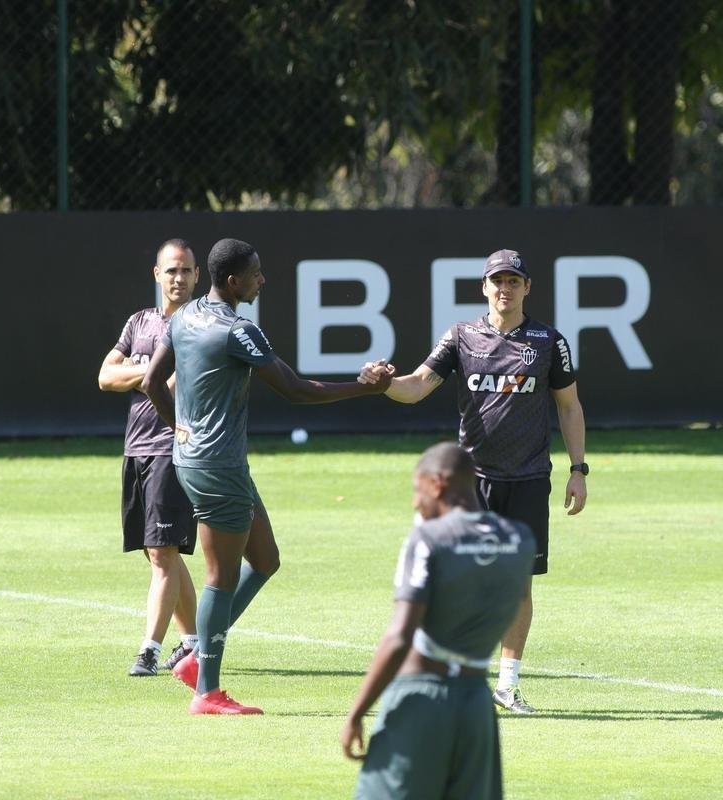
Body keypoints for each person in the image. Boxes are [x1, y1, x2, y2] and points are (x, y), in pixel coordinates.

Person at [141, 237, 393, 715]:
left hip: (198, 460)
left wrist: (179, 429)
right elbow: (296, 391)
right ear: (232, 281)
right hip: (219, 467)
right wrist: (366, 389)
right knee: (220, 577)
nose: (263, 279)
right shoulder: (239, 331)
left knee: (265, 559)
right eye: (255, 273)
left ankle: (197, 660)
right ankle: (206, 690)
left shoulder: (185, 316)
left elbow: (152, 382)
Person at [359, 248, 587, 714]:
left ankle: (507, 684)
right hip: (472, 482)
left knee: (518, 583)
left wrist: (578, 469)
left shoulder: (548, 341)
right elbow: (417, 385)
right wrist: (384, 383)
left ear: (527, 288)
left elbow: (569, 406)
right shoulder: (461, 336)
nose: (505, 288)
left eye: (514, 281)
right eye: (497, 280)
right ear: (484, 287)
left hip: (528, 478)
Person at [341, 442, 535, 800]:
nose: (415, 503)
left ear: (437, 484)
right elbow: (516, 600)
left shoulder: (428, 539)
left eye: (417, 490)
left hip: (420, 701)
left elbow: (400, 637)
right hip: (476, 706)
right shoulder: (518, 540)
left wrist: (356, 713)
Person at [98, 238, 200, 678]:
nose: (179, 278)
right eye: (171, 270)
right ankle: (194, 642)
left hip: (171, 448)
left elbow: (170, 388)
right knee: (160, 553)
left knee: (162, 552)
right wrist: (149, 371)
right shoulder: (139, 322)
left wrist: (139, 374)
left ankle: (149, 651)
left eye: (186, 270)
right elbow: (105, 376)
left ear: (198, 276)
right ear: (157, 274)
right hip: (135, 447)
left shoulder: (198, 325)